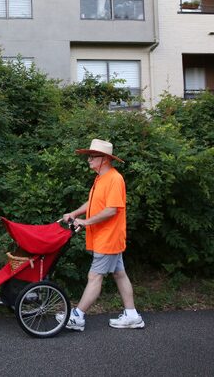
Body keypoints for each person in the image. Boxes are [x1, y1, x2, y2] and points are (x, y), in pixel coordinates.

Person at [59, 139, 144, 331]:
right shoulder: (100, 178)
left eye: (92, 156)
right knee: (119, 274)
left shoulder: (115, 179)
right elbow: (94, 204)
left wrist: (85, 222)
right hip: (105, 237)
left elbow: (111, 210)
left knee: (94, 276)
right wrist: (75, 214)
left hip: (109, 237)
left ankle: (78, 317)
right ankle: (132, 315)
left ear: (104, 159)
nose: (88, 160)